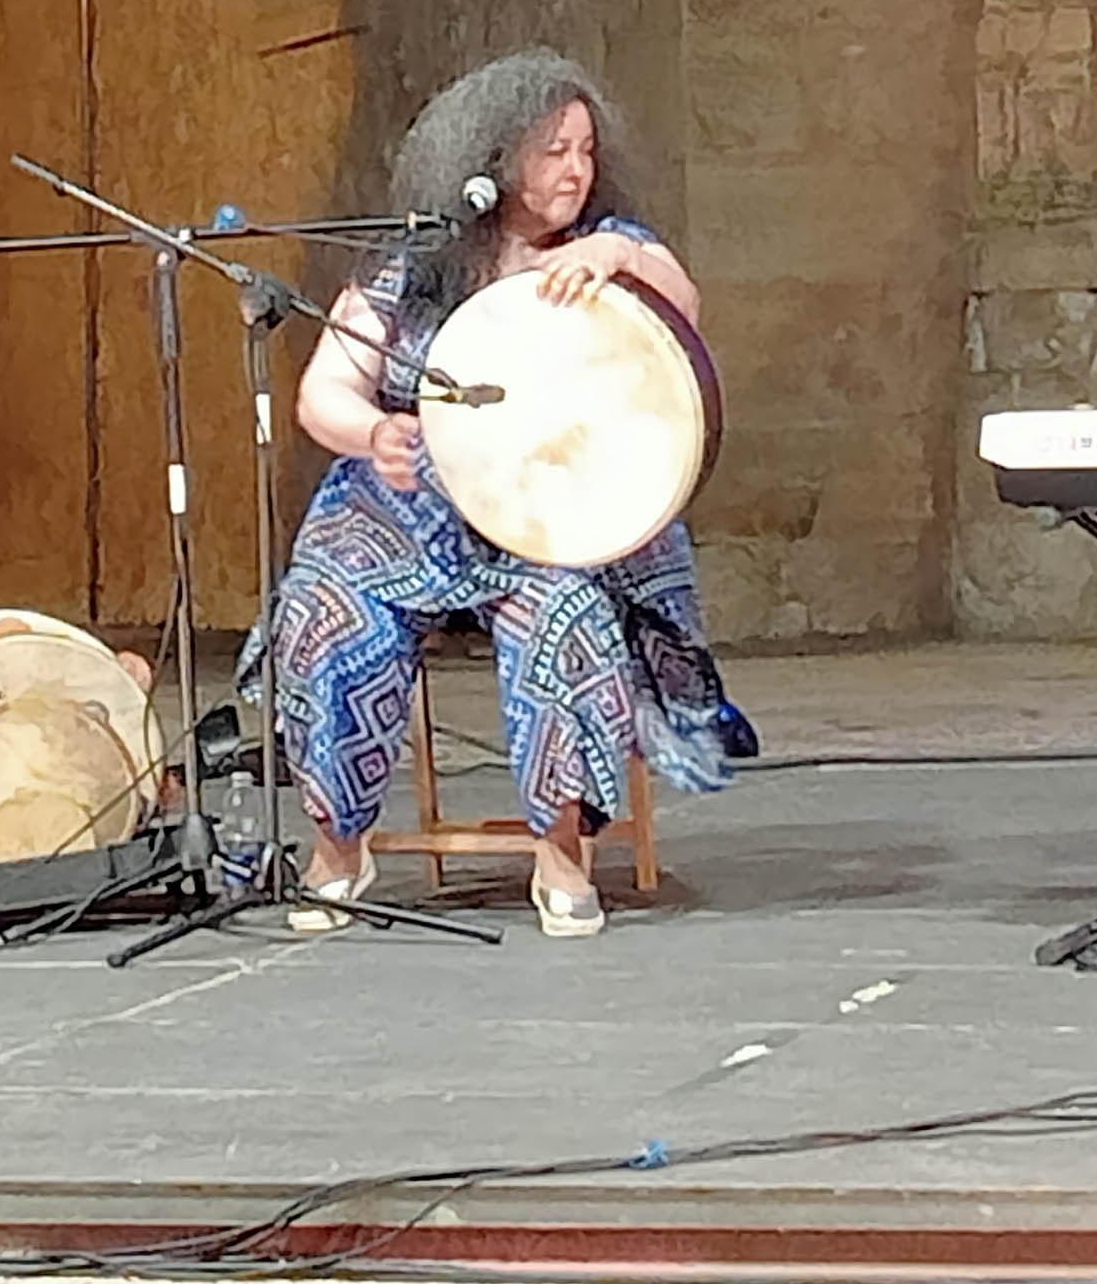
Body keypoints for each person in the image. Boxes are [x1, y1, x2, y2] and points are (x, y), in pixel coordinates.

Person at [257, 49, 744, 939]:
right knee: (325, 608)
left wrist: (614, 254)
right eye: (553, 151)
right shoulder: (418, 263)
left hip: (551, 519)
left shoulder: (612, 250)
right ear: (491, 159)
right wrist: (375, 433)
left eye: (585, 150)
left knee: (566, 615)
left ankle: (562, 854)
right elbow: (326, 389)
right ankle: (337, 847)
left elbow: (684, 304)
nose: (574, 170)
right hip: (412, 512)